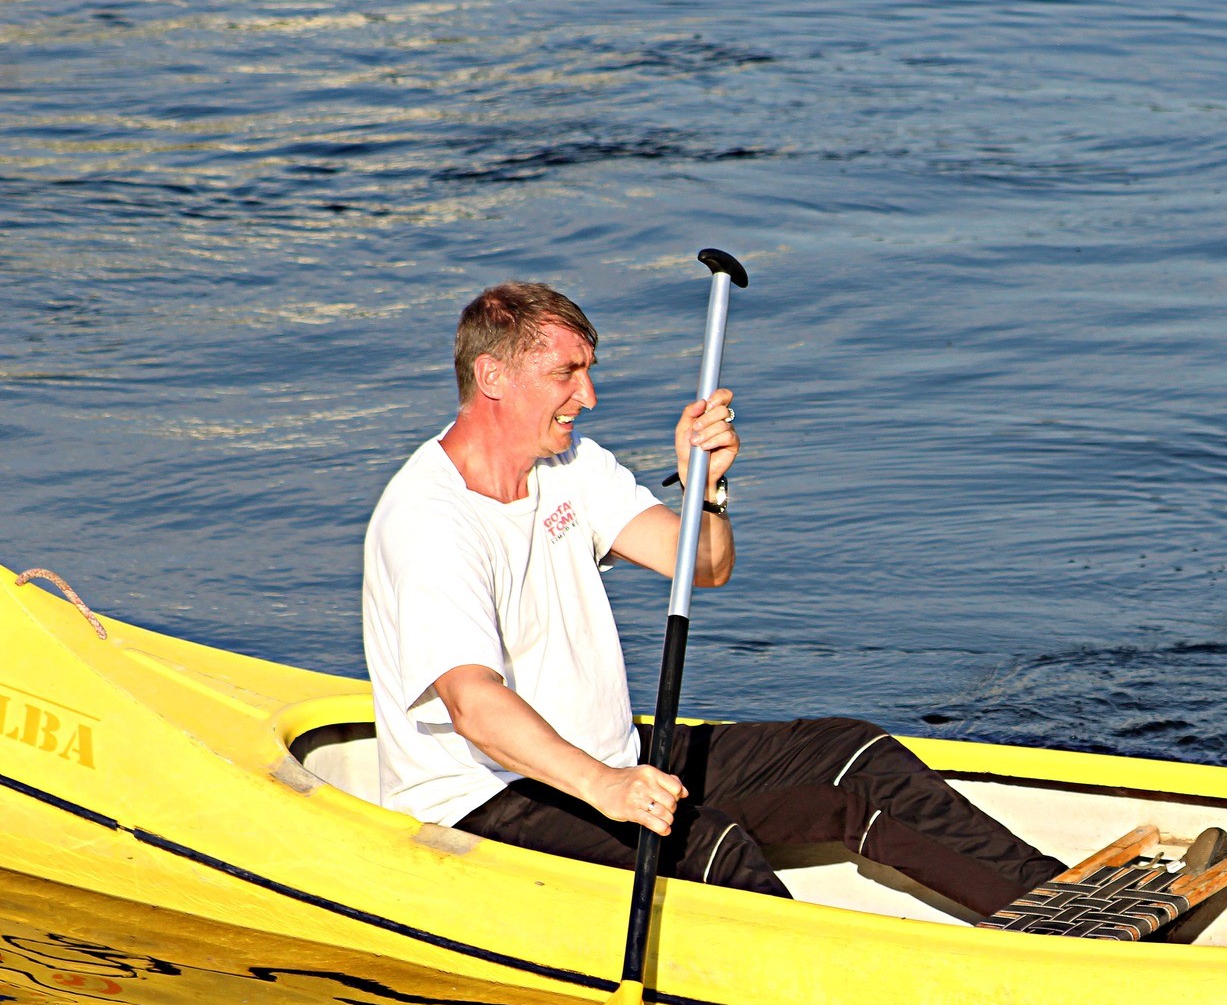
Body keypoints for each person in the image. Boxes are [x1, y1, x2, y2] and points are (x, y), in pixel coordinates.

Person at [362, 281, 1099, 917]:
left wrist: (704, 484)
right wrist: (609, 787)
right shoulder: (430, 517)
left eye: (588, 371)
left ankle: (1060, 913)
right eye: (567, 374)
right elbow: (474, 707)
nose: (587, 396)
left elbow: (704, 565)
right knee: (710, 848)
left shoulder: (571, 466)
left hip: (608, 758)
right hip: (485, 797)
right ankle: (819, 1004)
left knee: (850, 755)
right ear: (492, 376)